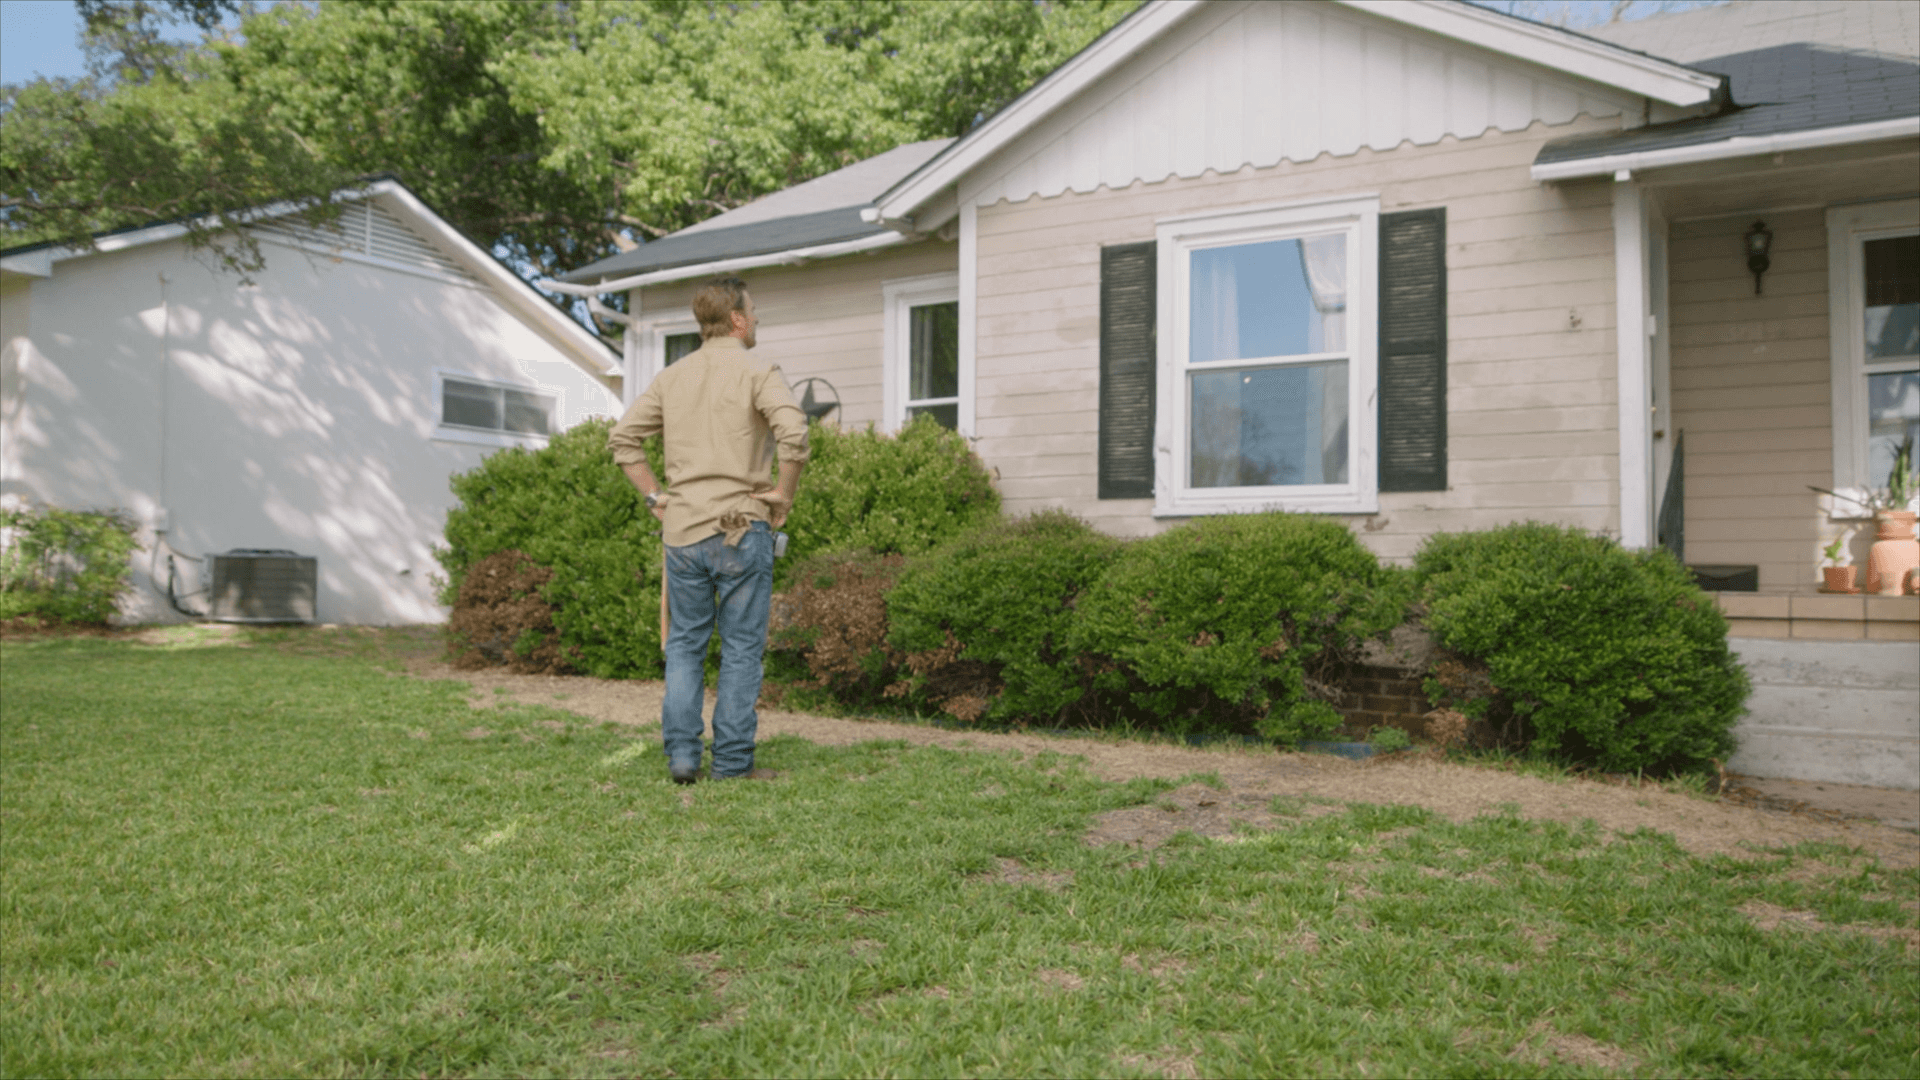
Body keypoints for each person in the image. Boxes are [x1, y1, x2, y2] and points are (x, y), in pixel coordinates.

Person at [607, 276, 808, 783]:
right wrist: (783, 493)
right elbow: (796, 434)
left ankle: (681, 756)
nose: (758, 319)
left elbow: (623, 440)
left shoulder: (673, 377)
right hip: (743, 529)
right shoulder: (759, 370)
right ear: (737, 319)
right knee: (741, 648)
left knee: (685, 645)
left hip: (683, 534)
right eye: (754, 311)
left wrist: (655, 496)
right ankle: (734, 763)